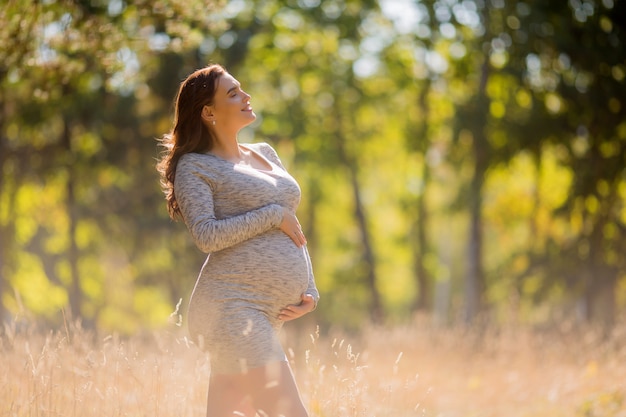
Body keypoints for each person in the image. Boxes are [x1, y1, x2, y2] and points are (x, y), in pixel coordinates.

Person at [156, 63, 319, 417]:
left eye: (241, 89)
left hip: (263, 311)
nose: (245, 96)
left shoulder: (265, 153)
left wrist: (309, 287)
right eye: (233, 93)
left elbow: (292, 224)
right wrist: (271, 215)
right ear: (208, 112)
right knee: (290, 413)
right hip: (232, 309)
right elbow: (206, 235)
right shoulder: (195, 166)